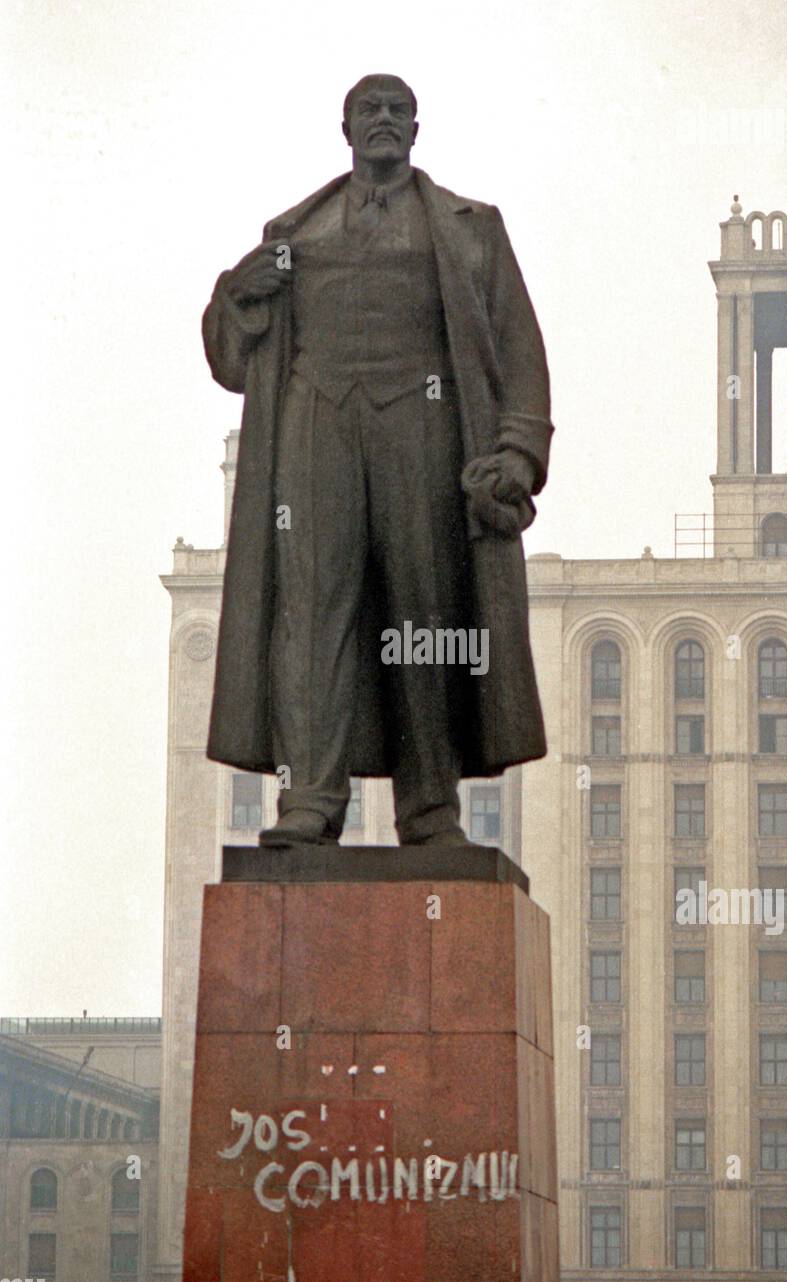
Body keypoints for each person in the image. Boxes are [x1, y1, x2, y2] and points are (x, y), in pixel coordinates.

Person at [203, 74, 553, 847]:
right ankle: (310, 803)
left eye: (398, 111)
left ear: (417, 130)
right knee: (308, 617)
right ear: (346, 128)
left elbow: (519, 350)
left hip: (422, 431)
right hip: (313, 425)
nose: (385, 121)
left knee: (422, 618)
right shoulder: (293, 232)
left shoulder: (470, 229)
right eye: (371, 110)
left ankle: (428, 812)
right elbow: (233, 362)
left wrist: (518, 453)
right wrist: (234, 295)